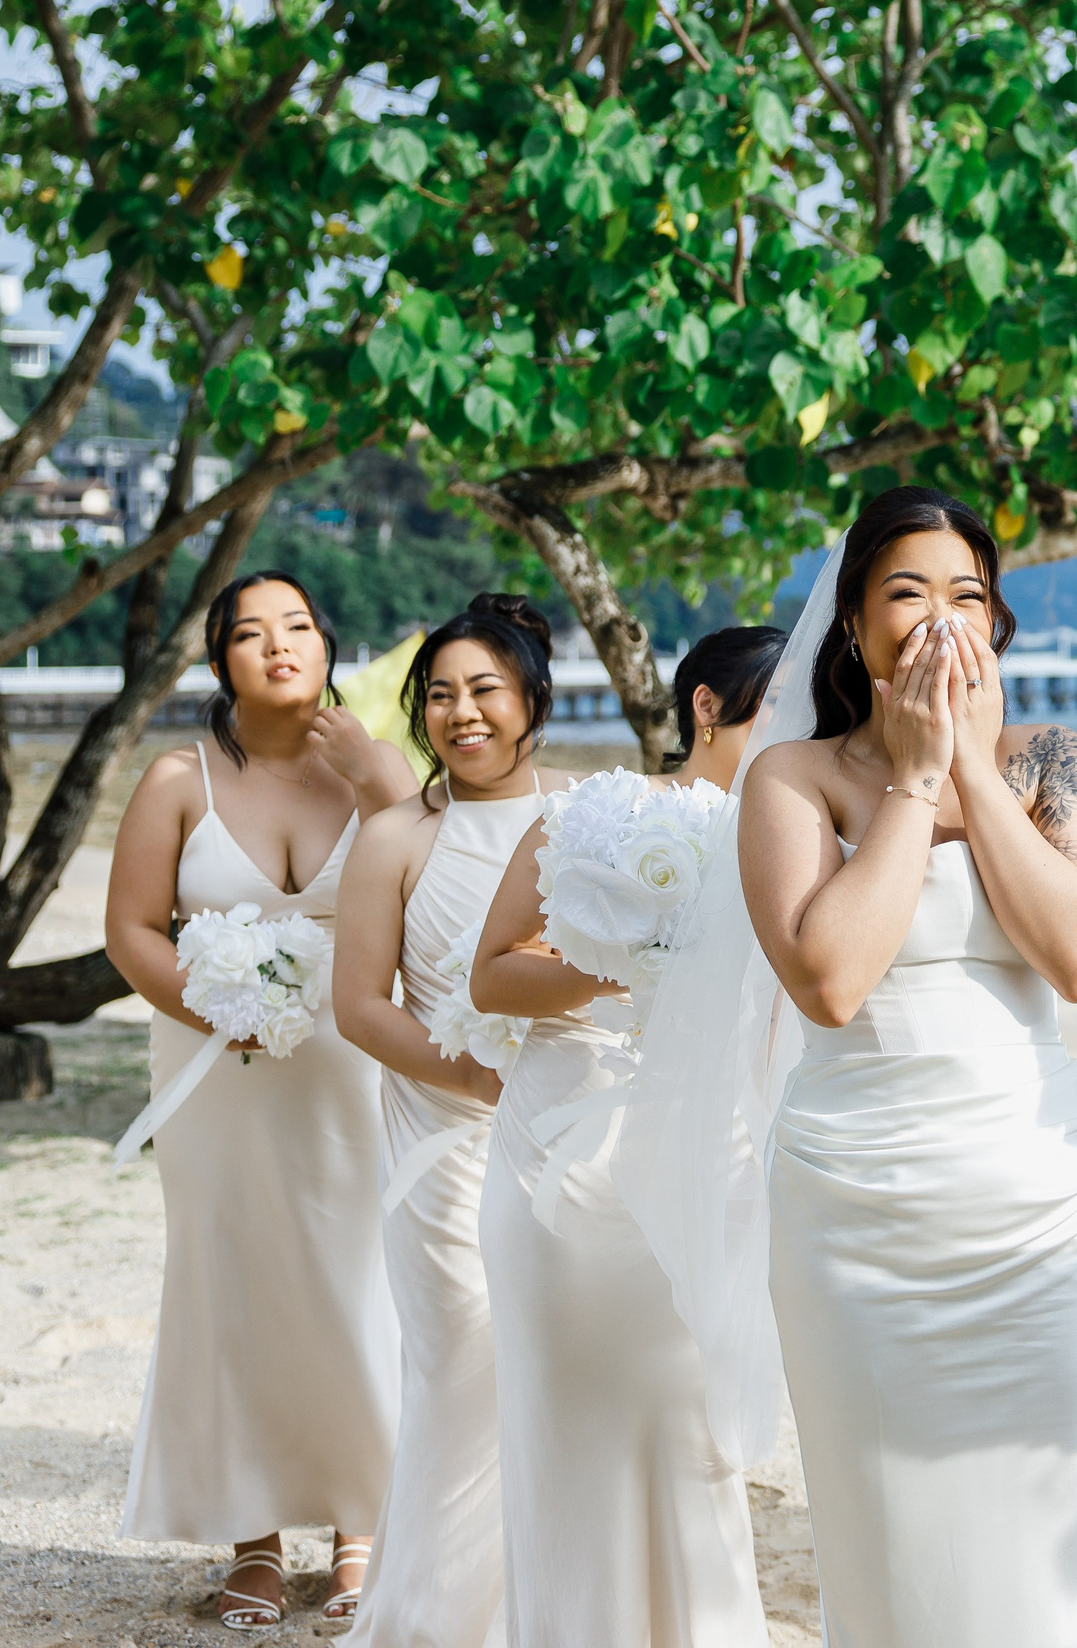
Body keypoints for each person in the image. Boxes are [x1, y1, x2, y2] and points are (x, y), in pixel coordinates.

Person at [739, 486, 1077, 1648]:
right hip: (859, 1207)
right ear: (854, 624)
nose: (943, 617)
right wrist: (913, 780)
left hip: (1036, 1202)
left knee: (1044, 1528)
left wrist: (973, 770)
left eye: (968, 593)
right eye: (908, 592)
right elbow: (831, 979)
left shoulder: (1047, 758)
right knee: (891, 1538)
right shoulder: (792, 777)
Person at [104, 571, 417, 1629]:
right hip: (216, 1078)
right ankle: (253, 1539)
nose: (279, 644)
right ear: (218, 660)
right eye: (251, 632)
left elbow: (435, 898)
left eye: (298, 626)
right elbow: (132, 930)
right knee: (232, 1283)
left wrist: (382, 779)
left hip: (355, 1067)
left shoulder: (377, 769)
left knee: (360, 1282)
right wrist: (217, 1008)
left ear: (327, 647)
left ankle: (363, 1525)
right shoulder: (176, 779)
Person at [464, 625, 785, 1648]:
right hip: (562, 1150)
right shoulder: (589, 814)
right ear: (706, 706)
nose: (795, 736)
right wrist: (628, 963)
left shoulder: (794, 838)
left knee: (690, 1417)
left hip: (707, 1148)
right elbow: (492, 975)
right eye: (775, 711)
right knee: (568, 1413)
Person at [334, 594, 570, 1648]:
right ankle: (434, 1619)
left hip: (570, 1136)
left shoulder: (589, 815)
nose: (460, 712)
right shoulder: (394, 836)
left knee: (560, 1368)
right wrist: (466, 1072)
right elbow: (360, 1004)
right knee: (462, 1363)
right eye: (438, 694)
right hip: (441, 1139)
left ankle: (547, 1610)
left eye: (484, 689)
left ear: (533, 699)